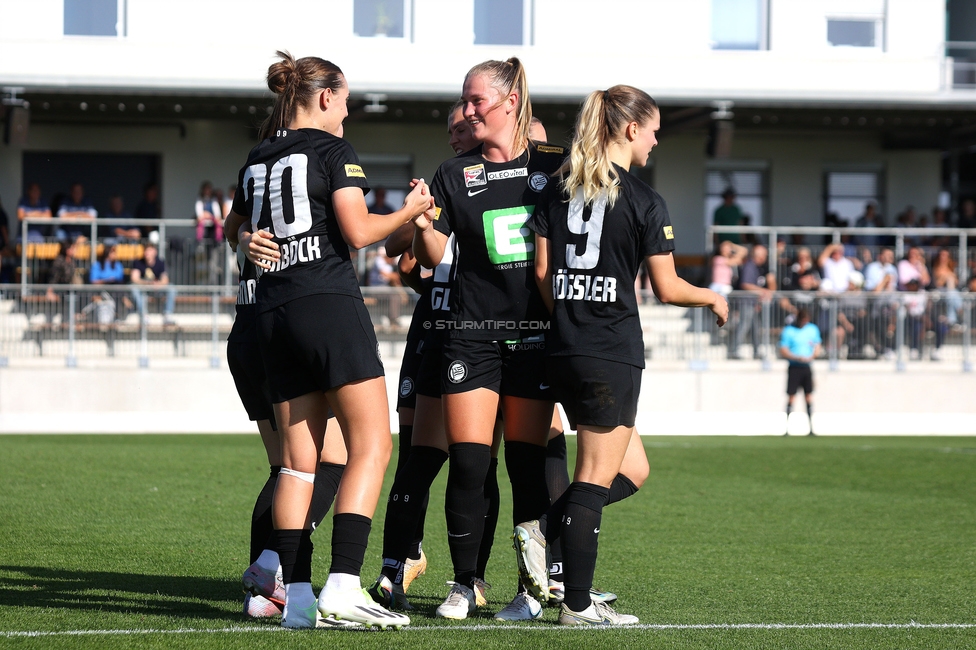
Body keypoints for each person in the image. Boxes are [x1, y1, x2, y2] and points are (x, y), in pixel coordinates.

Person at [233, 51, 431, 630]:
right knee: (372, 446)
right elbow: (358, 232)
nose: (348, 110)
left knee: (297, 466)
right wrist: (411, 209)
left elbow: (232, 224)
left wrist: (246, 237)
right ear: (324, 98)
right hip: (326, 305)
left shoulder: (258, 154)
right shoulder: (332, 149)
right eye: (345, 99)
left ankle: (296, 598)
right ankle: (343, 584)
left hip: (270, 312)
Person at [522, 84, 727, 626]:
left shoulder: (558, 191)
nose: (657, 140)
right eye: (654, 129)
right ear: (631, 128)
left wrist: (568, 315)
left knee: (632, 468)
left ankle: (544, 527)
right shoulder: (642, 199)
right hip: (609, 351)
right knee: (592, 476)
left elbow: (543, 273)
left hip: (563, 347)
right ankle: (577, 604)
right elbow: (668, 287)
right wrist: (711, 295)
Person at [411, 57, 565, 621]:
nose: (469, 109)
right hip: (471, 337)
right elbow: (436, 258)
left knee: (527, 468)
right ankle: (463, 583)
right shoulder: (453, 174)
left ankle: (531, 590)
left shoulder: (556, 164)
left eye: (477, 101)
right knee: (471, 464)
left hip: (535, 339)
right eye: (466, 100)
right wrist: (425, 226)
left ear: (511, 101)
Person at [779, 308, 821, 436]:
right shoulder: (789, 330)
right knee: (791, 396)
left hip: (806, 367)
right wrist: (796, 357)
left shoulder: (812, 329)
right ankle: (786, 428)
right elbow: (783, 349)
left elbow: (817, 346)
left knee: (808, 396)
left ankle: (811, 428)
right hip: (794, 367)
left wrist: (812, 356)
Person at [730, 244, 774, 359]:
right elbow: (746, 284)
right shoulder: (750, 266)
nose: (765, 257)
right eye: (764, 255)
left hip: (753, 303)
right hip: (746, 302)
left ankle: (756, 351)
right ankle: (733, 351)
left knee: (755, 327)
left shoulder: (755, 267)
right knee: (744, 325)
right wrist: (763, 291)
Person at [130, 243, 176, 325]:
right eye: (146, 250)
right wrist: (147, 283)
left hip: (157, 289)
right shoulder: (138, 262)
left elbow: (165, 279)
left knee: (172, 288)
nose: (147, 253)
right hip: (143, 288)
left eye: (149, 250)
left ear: (155, 252)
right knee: (133, 288)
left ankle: (167, 314)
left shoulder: (160, 263)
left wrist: (158, 284)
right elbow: (134, 278)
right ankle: (143, 315)